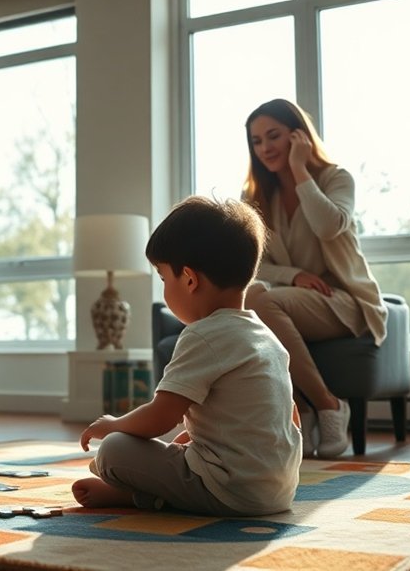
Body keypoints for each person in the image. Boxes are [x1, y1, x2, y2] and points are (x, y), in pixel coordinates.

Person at [72, 196, 302, 517]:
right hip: (278, 492)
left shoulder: (202, 335)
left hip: (229, 492)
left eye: (165, 279)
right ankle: (153, 490)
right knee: (177, 448)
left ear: (190, 280)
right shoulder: (266, 337)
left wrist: (113, 425)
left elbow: (160, 417)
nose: (165, 289)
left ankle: (140, 496)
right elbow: (286, 416)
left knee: (113, 451)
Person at [241, 98, 387, 459]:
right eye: (256, 141)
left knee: (258, 298)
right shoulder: (256, 197)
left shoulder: (336, 178)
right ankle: (301, 409)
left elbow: (329, 225)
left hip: (345, 301)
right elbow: (252, 264)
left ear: (298, 136)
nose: (265, 148)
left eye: (273, 136)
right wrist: (295, 275)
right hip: (294, 299)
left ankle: (326, 404)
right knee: (253, 295)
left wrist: (300, 169)